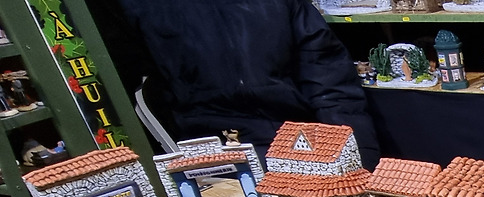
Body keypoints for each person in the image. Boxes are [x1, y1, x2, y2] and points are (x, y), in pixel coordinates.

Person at [92, 0, 378, 169]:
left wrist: (358, 158)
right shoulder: (129, 7)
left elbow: (328, 77)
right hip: (209, 153)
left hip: (295, 143)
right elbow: (133, 89)